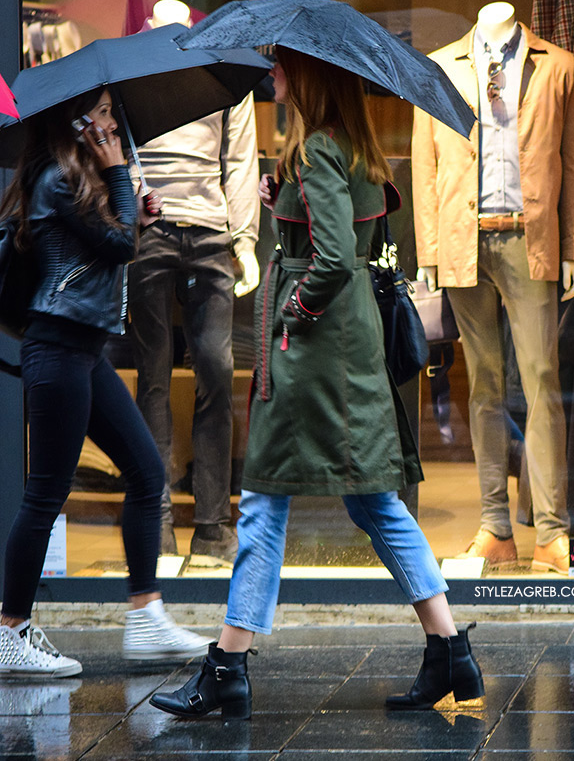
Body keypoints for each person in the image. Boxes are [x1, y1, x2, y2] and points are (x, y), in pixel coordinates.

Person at [148, 46, 485, 721]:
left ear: (309, 77)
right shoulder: (352, 150)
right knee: (372, 502)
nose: (272, 78)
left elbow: (329, 259)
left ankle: (228, 665)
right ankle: (449, 648)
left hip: (311, 354)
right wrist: (284, 207)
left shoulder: (316, 152)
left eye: (280, 69)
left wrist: (295, 310)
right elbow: (346, 241)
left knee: (266, 498)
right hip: (348, 352)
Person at [0, 87, 213, 677]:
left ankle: (145, 618)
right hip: (59, 352)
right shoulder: (55, 182)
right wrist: (121, 175)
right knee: (45, 494)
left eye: (110, 110)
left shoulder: (76, 183)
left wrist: (132, 209)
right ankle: (9, 630)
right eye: (100, 111)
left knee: (147, 474)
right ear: (74, 122)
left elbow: (111, 244)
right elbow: (117, 246)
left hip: (84, 353)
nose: (112, 121)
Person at [412, 1, 574, 575]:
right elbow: (426, 166)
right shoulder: (440, 69)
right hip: (465, 240)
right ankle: (495, 527)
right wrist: (431, 252)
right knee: (484, 384)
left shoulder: (558, 67)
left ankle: (553, 530)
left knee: (541, 379)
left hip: (529, 238)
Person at [127, 0, 260, 561]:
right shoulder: (130, 68)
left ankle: (213, 526)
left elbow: (241, 158)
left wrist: (246, 239)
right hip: (150, 232)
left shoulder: (224, 68)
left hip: (210, 231)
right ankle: (155, 523)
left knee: (215, 369)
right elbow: (121, 147)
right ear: (151, 28)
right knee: (153, 377)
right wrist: (135, 200)